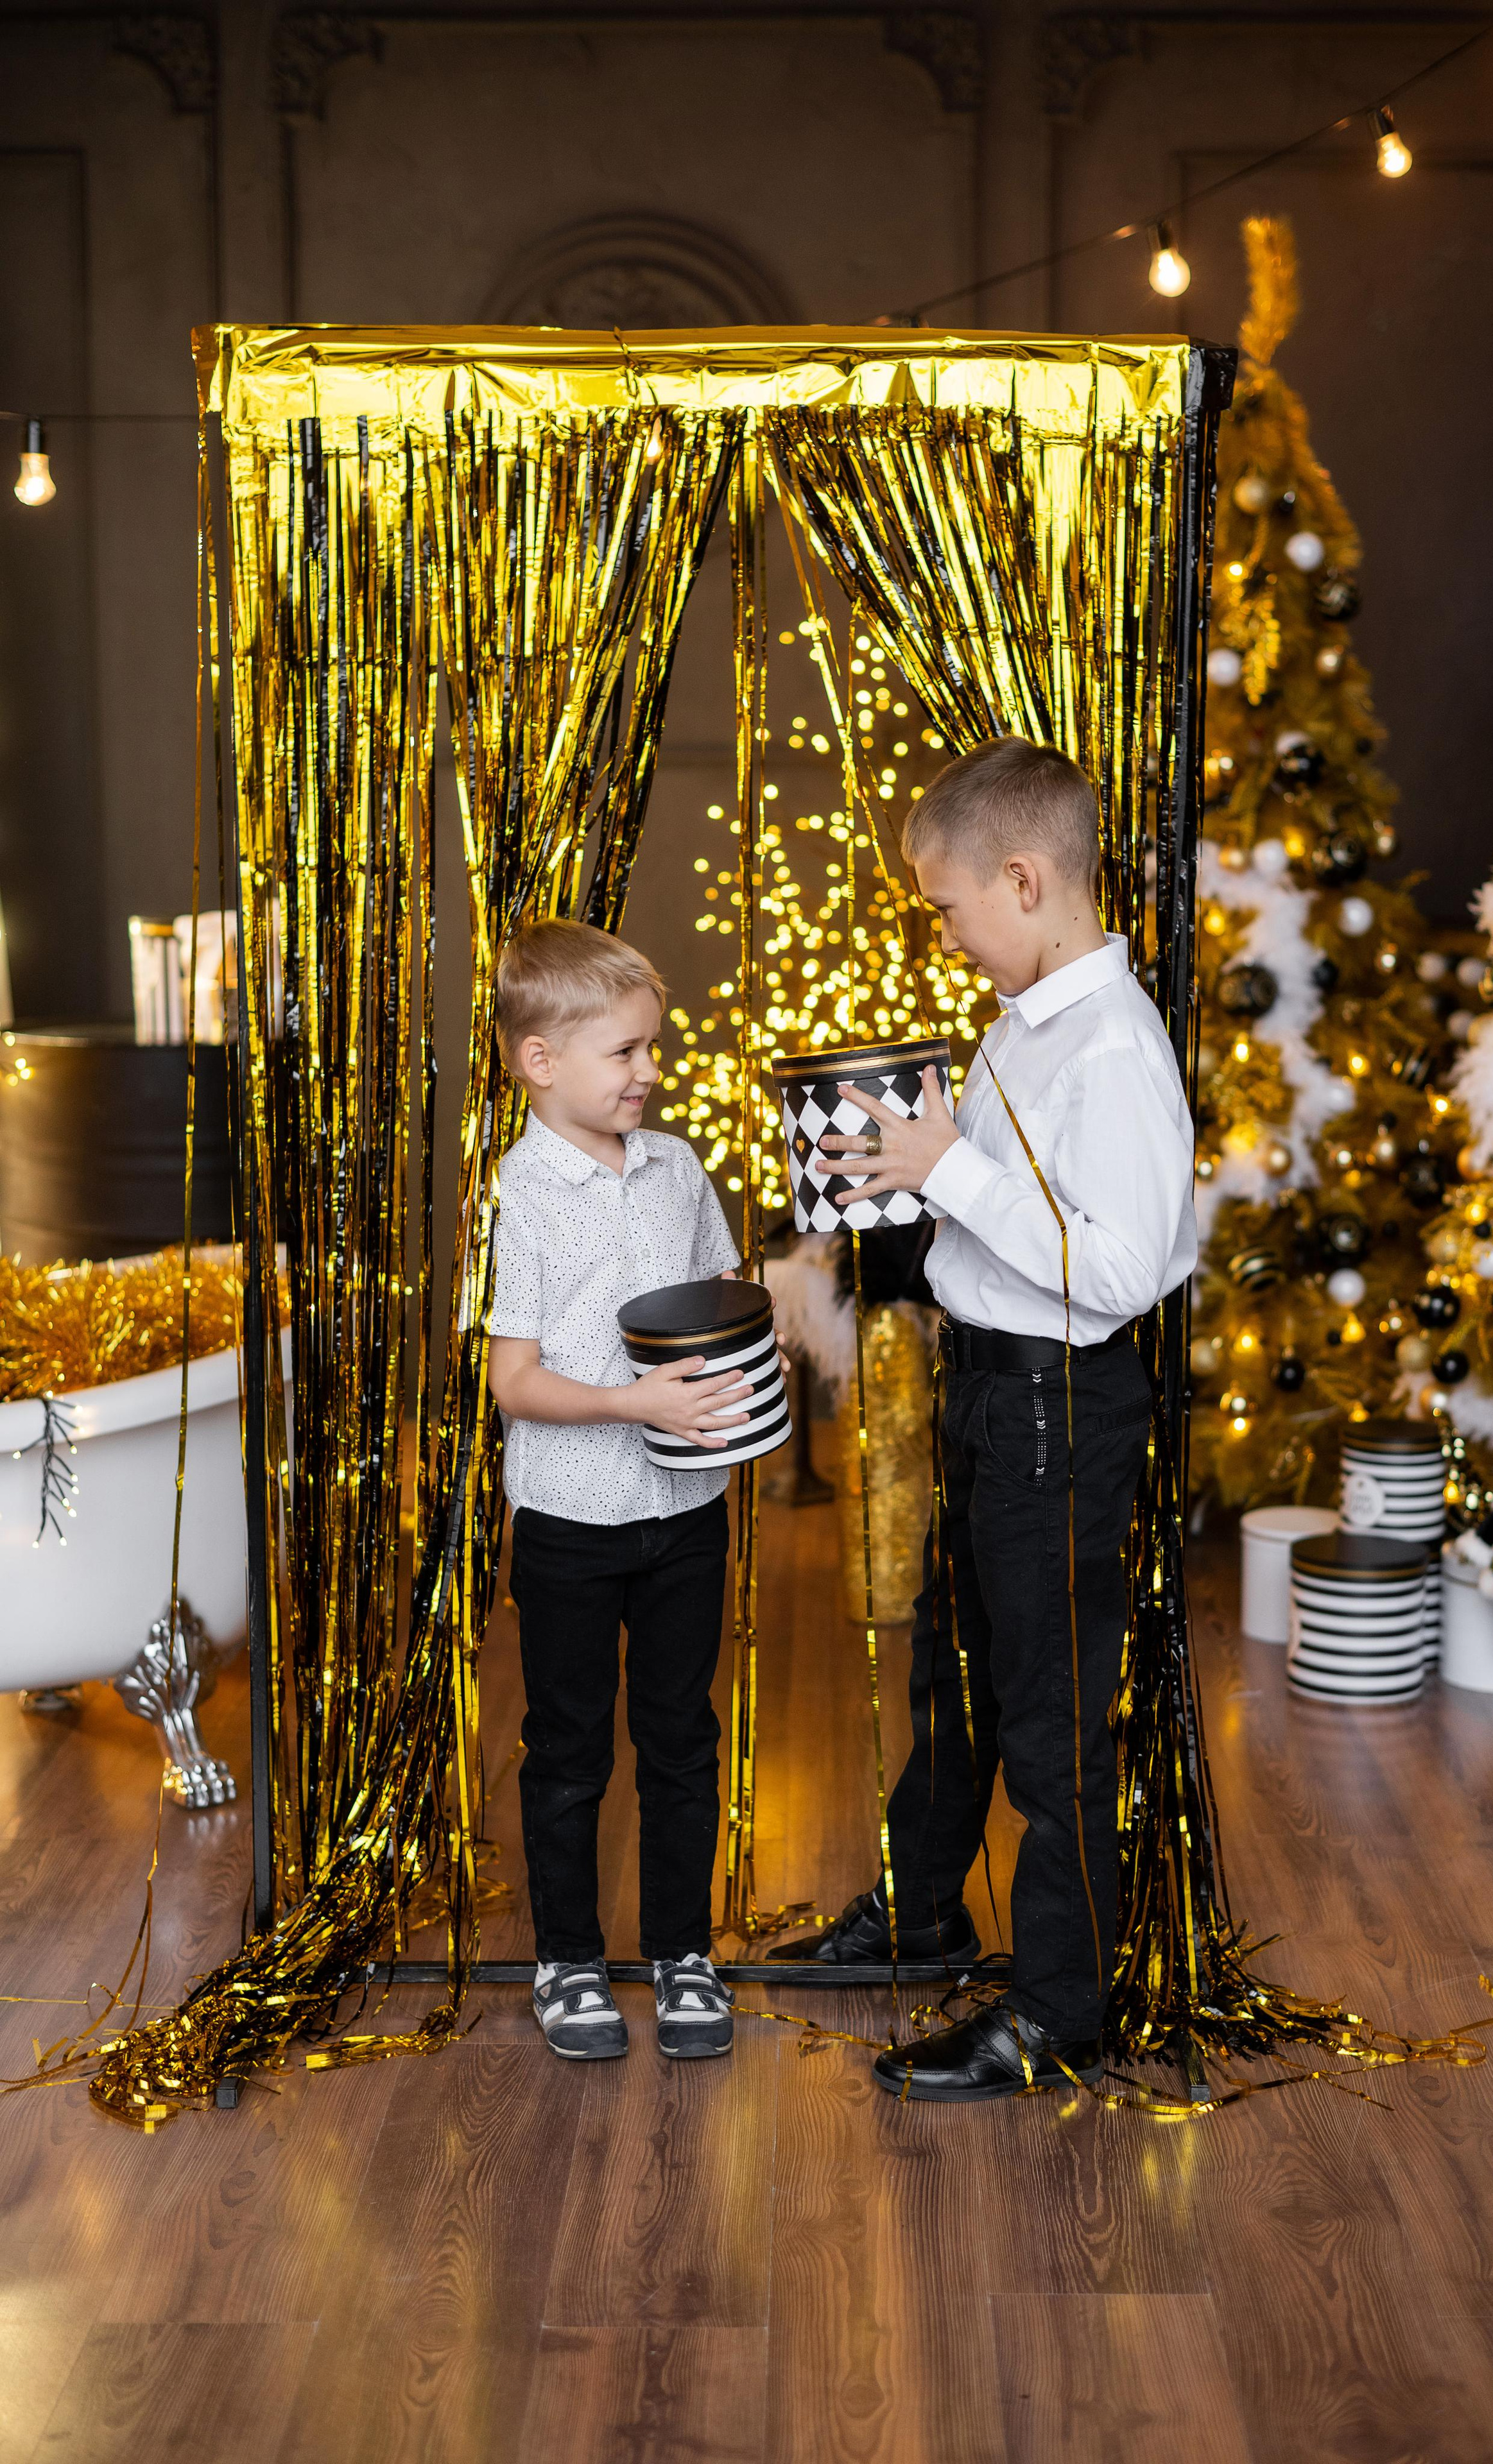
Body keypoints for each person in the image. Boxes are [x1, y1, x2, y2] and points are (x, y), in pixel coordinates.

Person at [771, 737, 1196, 2103]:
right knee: (948, 1676)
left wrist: (946, 1162)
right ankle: (922, 1910)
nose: (943, 936)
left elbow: (1121, 1265)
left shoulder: (1114, 1048)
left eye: (948, 908)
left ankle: (1062, 2004)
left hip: (1056, 1405)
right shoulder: (1024, 1022)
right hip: (989, 1387)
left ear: (1022, 879)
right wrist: (875, 1200)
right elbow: (998, 1221)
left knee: (1048, 1713)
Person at [487, 918, 754, 2064]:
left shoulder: (679, 1170)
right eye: (626, 1053)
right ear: (541, 1062)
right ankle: (568, 1960)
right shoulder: (518, 1197)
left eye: (653, 1049)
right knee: (568, 1748)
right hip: (569, 1524)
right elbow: (514, 1382)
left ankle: (683, 1952)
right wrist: (633, 1407)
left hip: (688, 1515)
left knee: (682, 1735)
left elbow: (724, 1294)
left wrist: (751, 1360)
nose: (651, 1071)